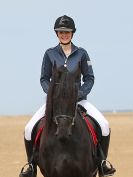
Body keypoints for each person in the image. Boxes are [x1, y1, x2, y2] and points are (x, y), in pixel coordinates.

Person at [19, 15, 116, 177]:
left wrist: (80, 94)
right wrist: (52, 94)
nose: (64, 34)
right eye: (61, 32)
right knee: (29, 128)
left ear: (72, 33)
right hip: (55, 101)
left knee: (104, 125)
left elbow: (89, 78)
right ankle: (30, 165)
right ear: (57, 33)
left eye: (67, 32)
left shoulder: (81, 54)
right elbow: (44, 78)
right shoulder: (49, 54)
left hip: (78, 100)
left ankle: (102, 163)